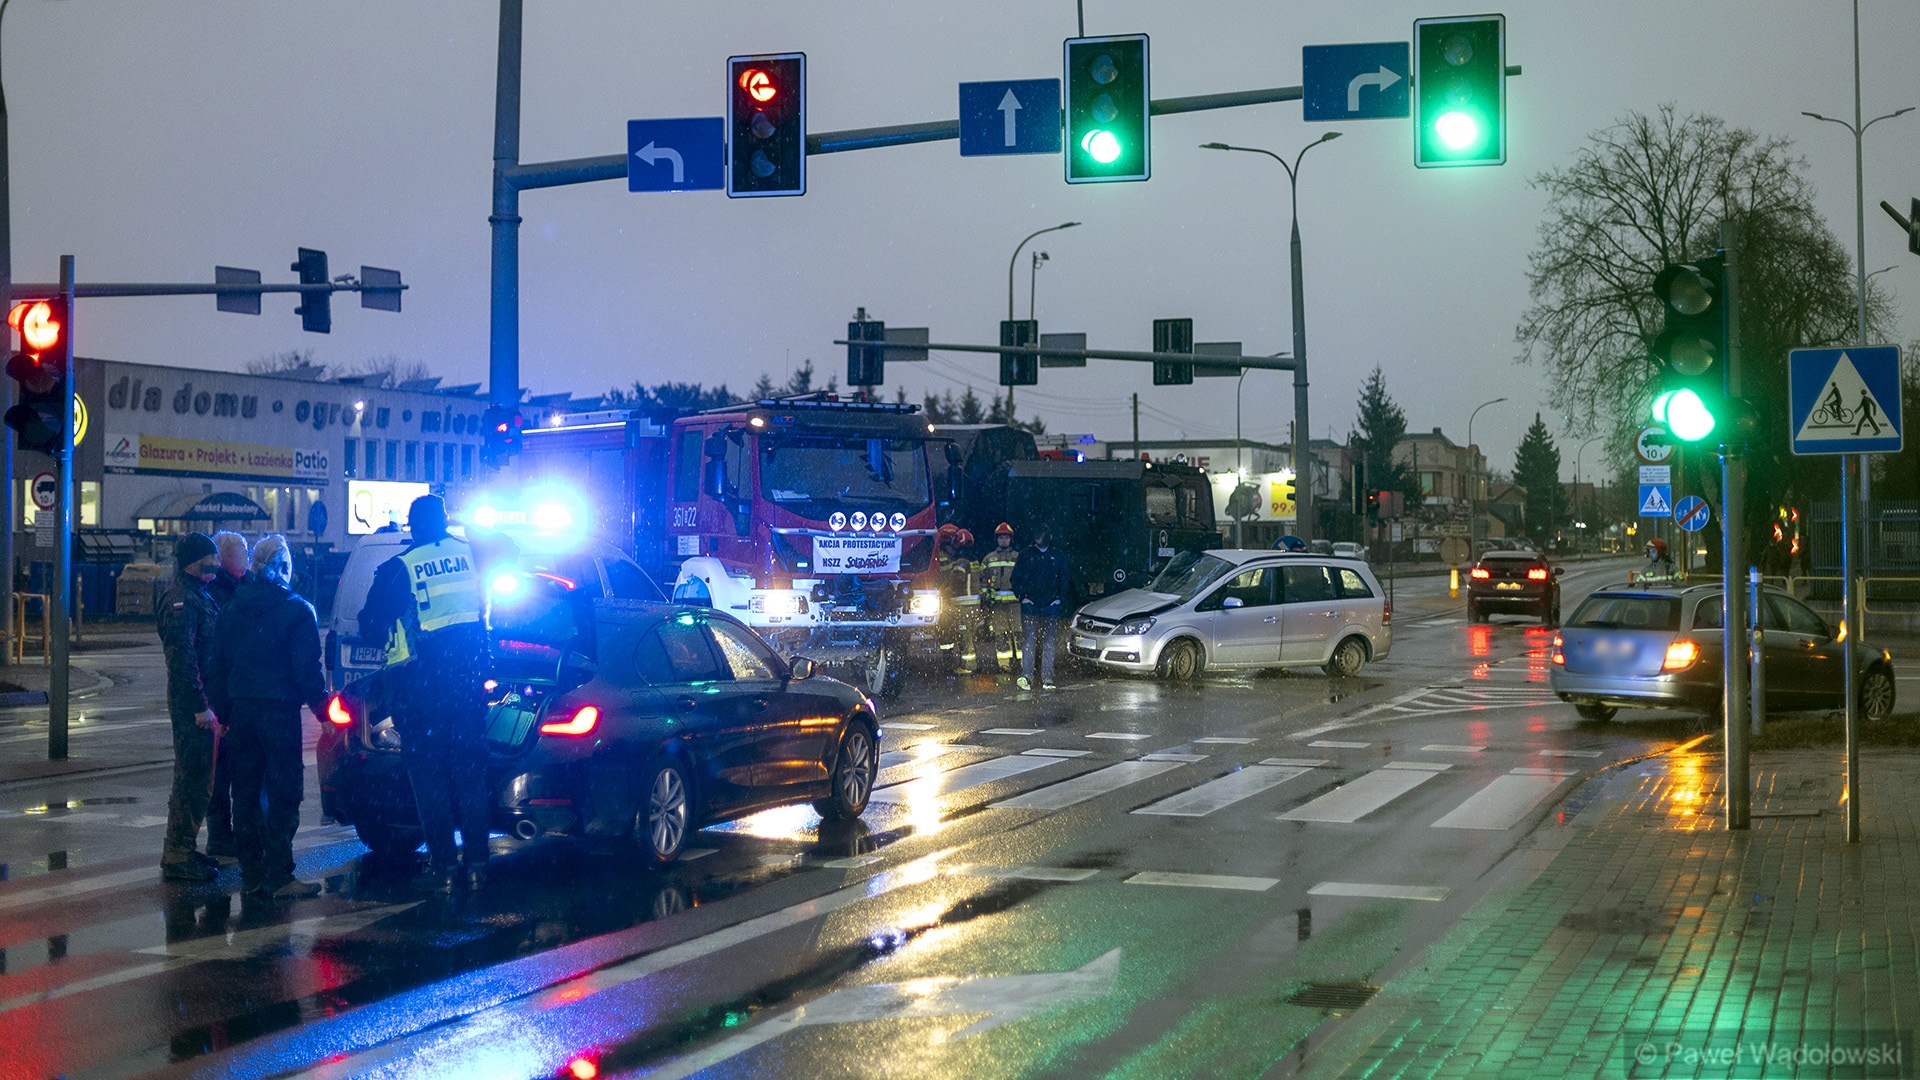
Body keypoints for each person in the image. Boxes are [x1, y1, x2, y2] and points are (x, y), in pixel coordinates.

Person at [358, 495, 492, 893]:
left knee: (430, 781)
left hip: (421, 694)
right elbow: (509, 554)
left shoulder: (400, 568)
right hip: (466, 689)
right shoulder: (473, 555)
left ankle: (446, 869)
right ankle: (478, 866)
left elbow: (370, 626)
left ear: (412, 526)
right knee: (469, 778)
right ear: (446, 521)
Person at [207, 535, 329, 899]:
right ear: (284, 567)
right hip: (279, 712)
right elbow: (307, 670)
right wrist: (323, 710)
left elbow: (218, 666)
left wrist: (223, 713)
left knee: (245, 791)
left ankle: (252, 872)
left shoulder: (232, 609)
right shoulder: (297, 610)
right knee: (283, 791)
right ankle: (279, 874)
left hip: (241, 711)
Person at [157, 533, 224, 883]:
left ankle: (184, 846)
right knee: (192, 777)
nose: (217, 563)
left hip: (203, 699)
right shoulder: (181, 600)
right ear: (195, 561)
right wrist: (200, 706)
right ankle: (177, 853)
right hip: (192, 705)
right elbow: (182, 658)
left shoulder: (198, 593)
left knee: (200, 778)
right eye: (212, 557)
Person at [202, 531, 251, 859]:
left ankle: (234, 834)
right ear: (224, 558)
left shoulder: (244, 587)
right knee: (220, 771)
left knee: (237, 769)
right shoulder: (216, 593)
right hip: (223, 693)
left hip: (239, 691)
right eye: (240, 552)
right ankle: (220, 835)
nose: (245, 557)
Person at [1011, 525, 1071, 692]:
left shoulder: (1056, 556)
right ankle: (1028, 676)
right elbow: (1016, 578)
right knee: (1031, 641)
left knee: (1046, 642)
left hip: (1048, 606)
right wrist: (1023, 597)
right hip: (1032, 606)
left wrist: (1059, 598)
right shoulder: (1027, 555)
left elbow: (1065, 578)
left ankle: (1046, 677)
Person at [977, 523, 1022, 675]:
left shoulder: (1018, 557)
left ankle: (1023, 663)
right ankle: (1004, 665)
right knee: (1000, 635)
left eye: (1006, 538)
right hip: (997, 606)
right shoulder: (988, 559)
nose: (1004, 541)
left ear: (1011, 539)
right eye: (1001, 538)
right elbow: (982, 580)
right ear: (997, 539)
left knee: (1019, 634)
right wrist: (985, 597)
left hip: (1016, 605)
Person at [936, 526, 981, 674]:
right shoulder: (974, 561)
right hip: (973, 605)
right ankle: (970, 664)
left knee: (965, 636)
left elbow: (956, 581)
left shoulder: (961, 562)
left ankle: (968, 667)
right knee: (968, 636)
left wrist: (943, 592)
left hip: (963, 605)